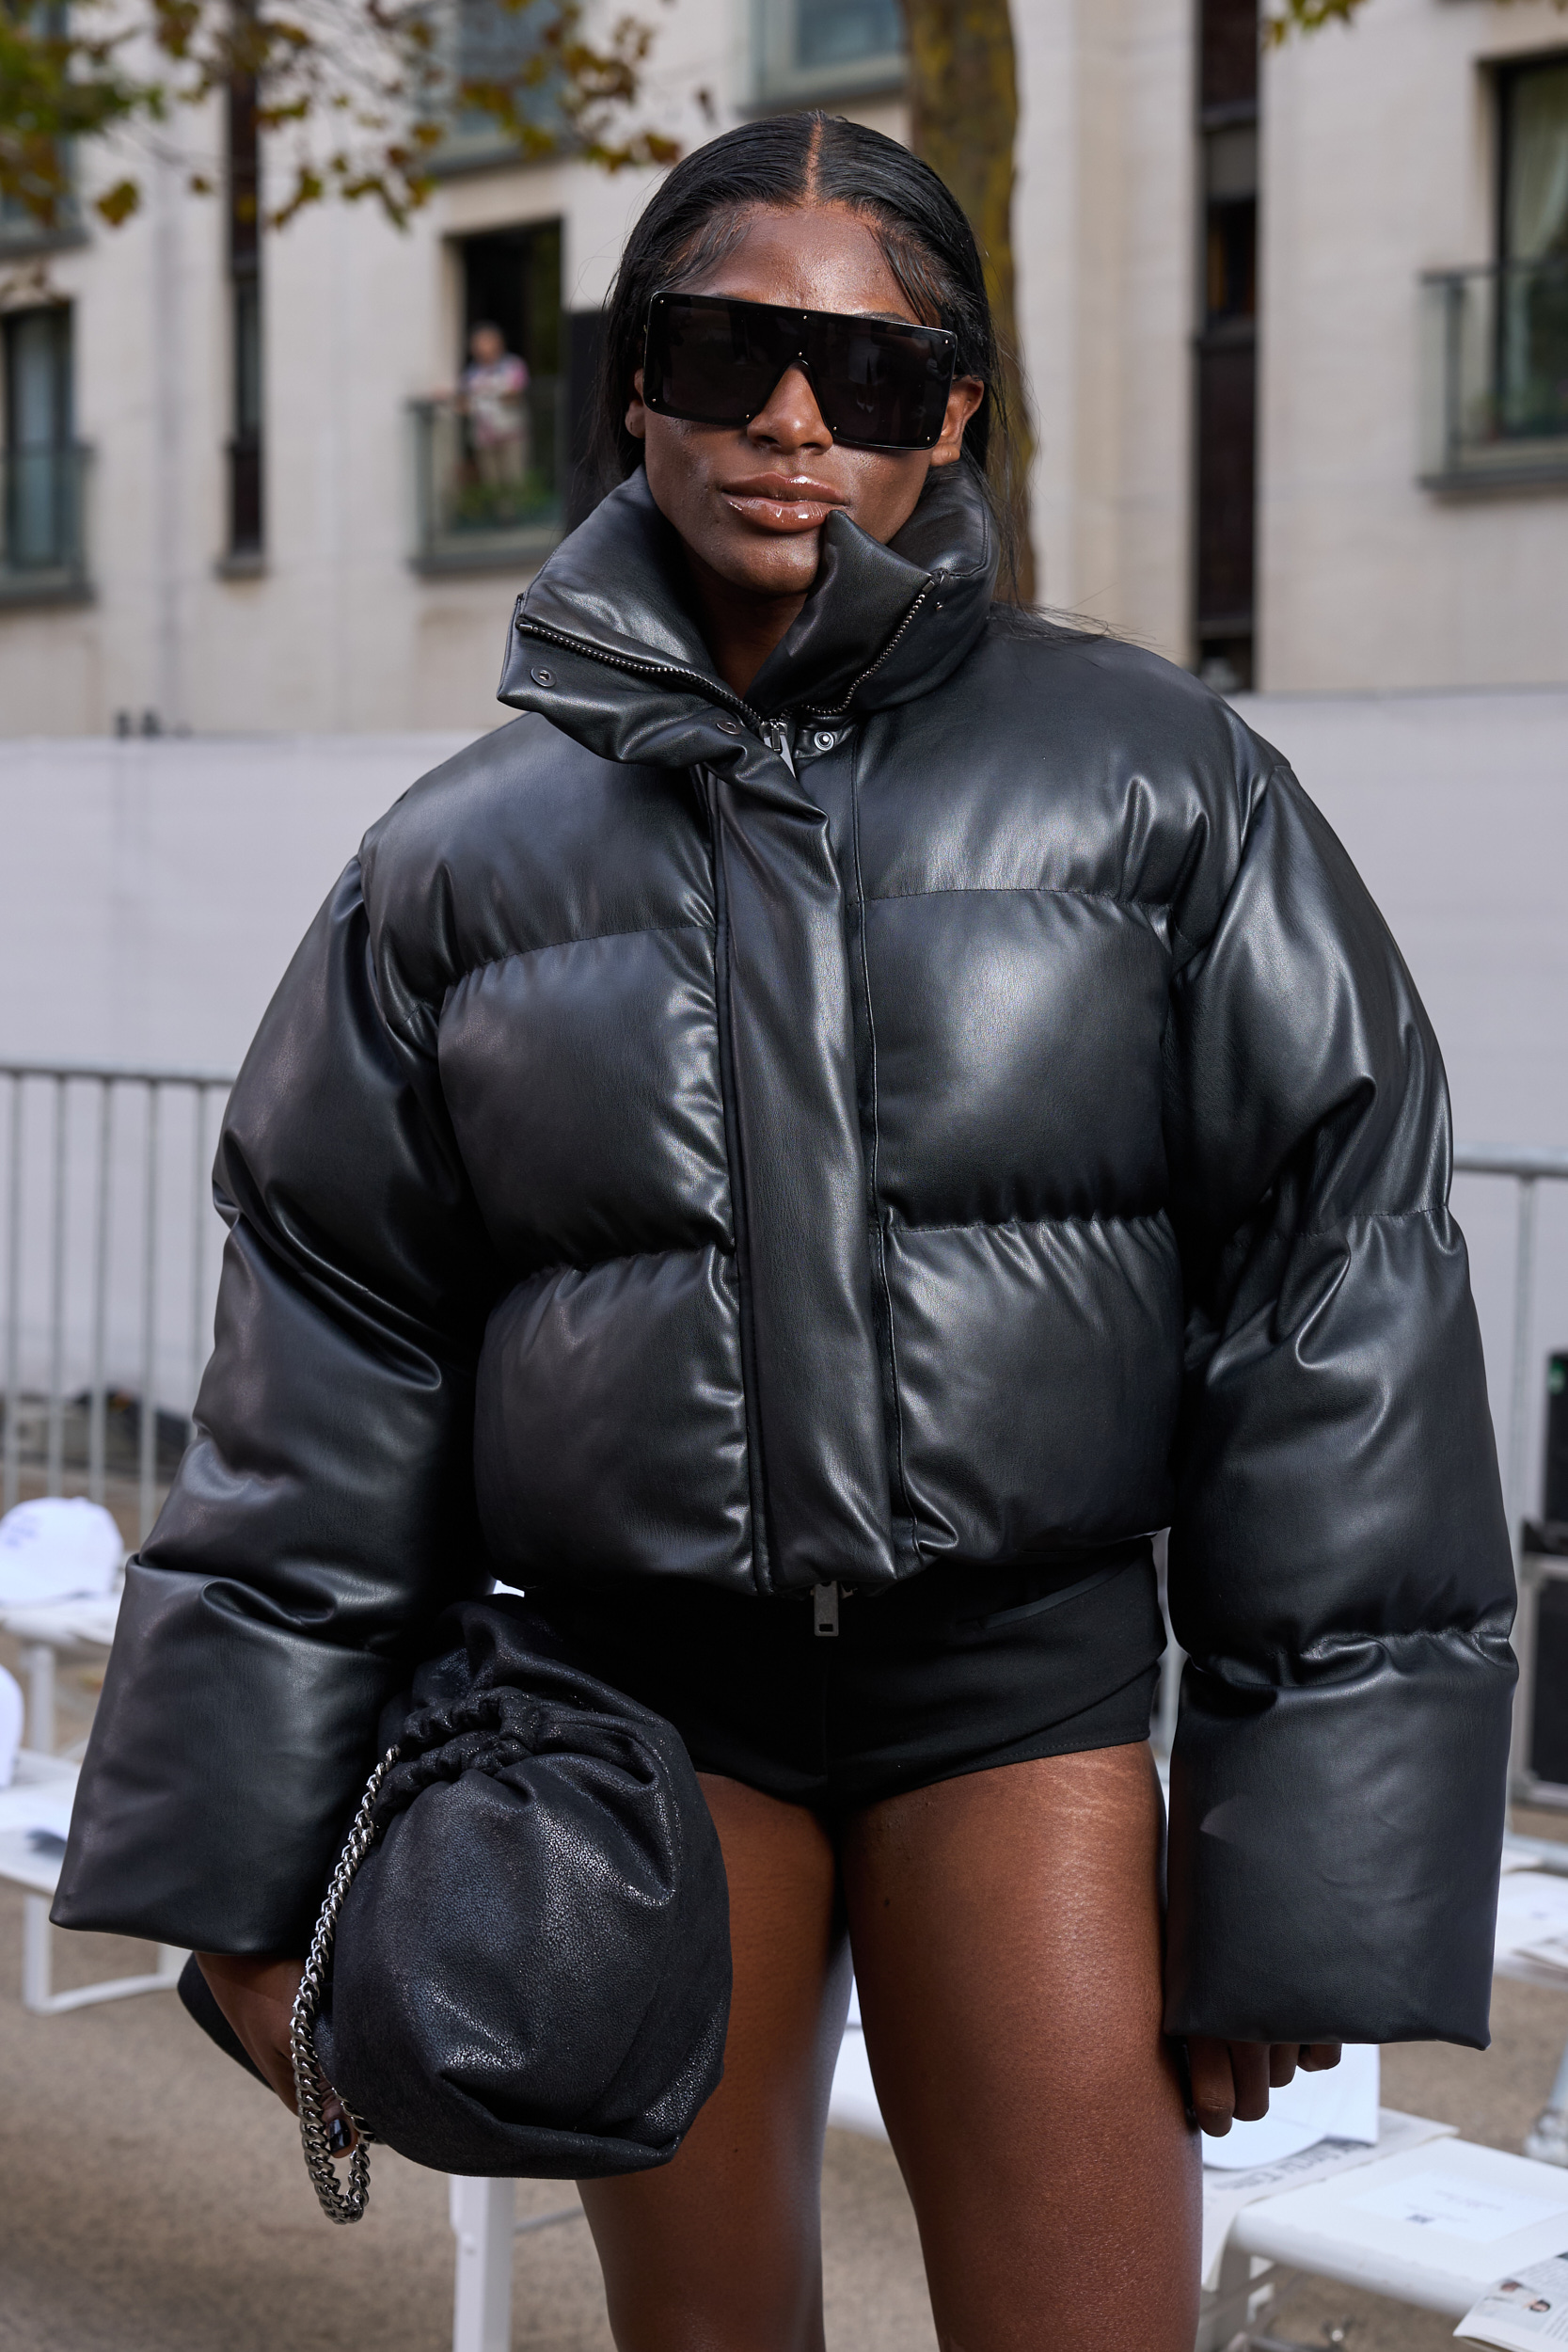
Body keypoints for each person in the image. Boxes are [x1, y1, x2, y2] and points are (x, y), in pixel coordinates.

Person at [54, 113, 1515, 2349]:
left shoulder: (1162, 784)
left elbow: (1337, 1295)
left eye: (872, 374)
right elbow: (329, 1359)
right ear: (632, 383)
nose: (793, 425)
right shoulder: (453, 867)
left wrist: (1294, 1879)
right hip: (636, 1740)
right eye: (729, 355)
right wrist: (234, 1867)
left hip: (1020, 1708)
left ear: (954, 414)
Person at [459, 319, 530, 485]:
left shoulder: (514, 365)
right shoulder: (471, 372)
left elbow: (516, 395)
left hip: (511, 435)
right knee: (491, 483)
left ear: (498, 342)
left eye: (485, 341)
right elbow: (464, 402)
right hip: (483, 437)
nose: (481, 346)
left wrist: (487, 393)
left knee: (514, 481)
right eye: (477, 342)